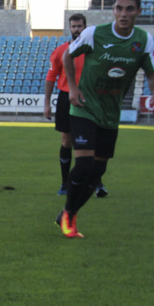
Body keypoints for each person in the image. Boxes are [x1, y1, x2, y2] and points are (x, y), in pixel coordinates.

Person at [56, 0, 154, 238]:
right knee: (83, 165)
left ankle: (67, 213)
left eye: (129, 9)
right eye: (118, 8)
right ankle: (70, 215)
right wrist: (72, 87)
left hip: (110, 114)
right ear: (113, 10)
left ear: (138, 11)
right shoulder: (95, 34)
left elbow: (152, 73)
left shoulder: (144, 40)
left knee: (98, 170)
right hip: (83, 108)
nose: (123, 14)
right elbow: (67, 56)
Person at [44, 13, 107, 197]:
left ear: (85, 28)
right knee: (67, 141)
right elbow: (51, 77)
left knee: (92, 142)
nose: (76, 30)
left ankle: (97, 183)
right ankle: (65, 184)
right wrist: (46, 104)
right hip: (66, 97)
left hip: (90, 98)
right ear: (69, 28)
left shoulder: (94, 51)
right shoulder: (61, 50)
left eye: (80, 26)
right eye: (73, 26)